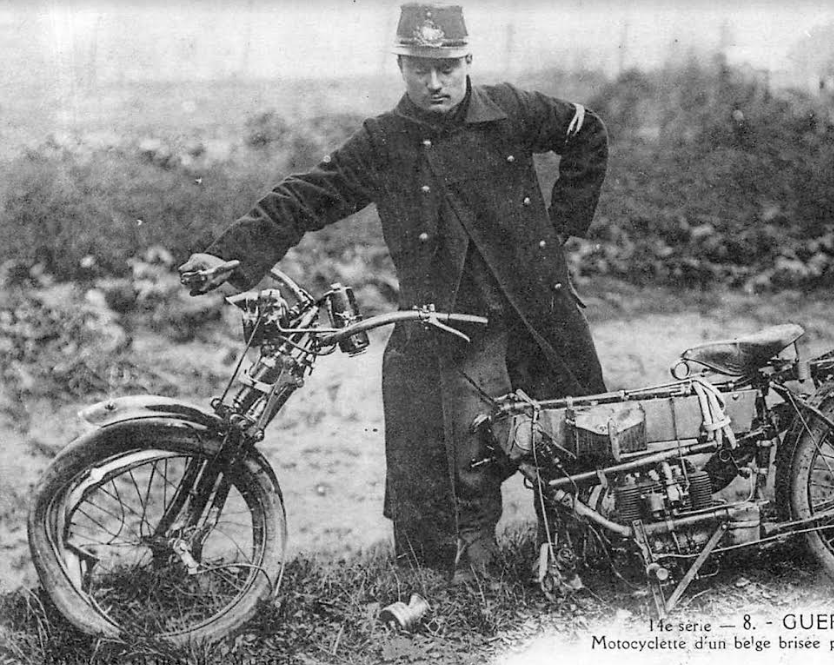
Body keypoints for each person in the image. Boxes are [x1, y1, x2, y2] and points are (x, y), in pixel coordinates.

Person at [179, 3, 608, 584]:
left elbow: (588, 133)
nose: (436, 83)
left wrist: (561, 227)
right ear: (401, 66)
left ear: (467, 61)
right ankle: (461, 567)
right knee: (458, 454)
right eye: (420, 68)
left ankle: (582, 552)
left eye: (449, 67)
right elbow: (309, 194)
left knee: (577, 434)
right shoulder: (385, 142)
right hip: (454, 321)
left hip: (539, 308)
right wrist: (233, 250)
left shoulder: (514, 110)